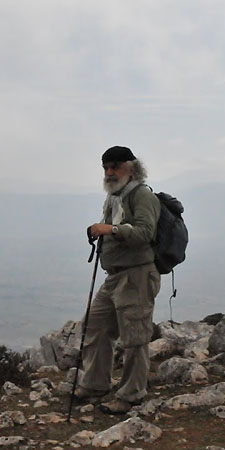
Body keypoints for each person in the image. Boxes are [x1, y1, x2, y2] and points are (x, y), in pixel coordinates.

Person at [75, 145, 162, 414]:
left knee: (135, 337)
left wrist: (110, 229)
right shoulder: (115, 197)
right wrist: (104, 230)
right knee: (95, 326)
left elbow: (145, 232)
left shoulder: (142, 195)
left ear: (131, 168)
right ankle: (95, 384)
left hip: (136, 276)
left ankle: (132, 395)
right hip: (115, 276)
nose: (109, 172)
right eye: (106, 167)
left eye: (115, 167)